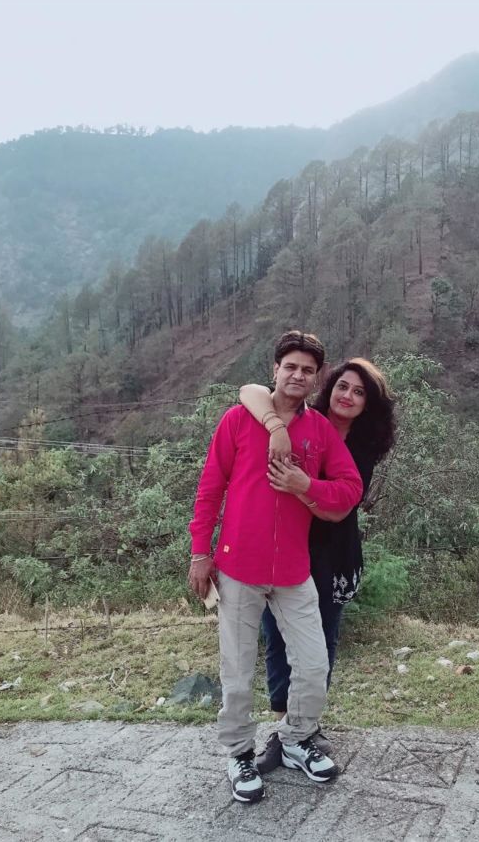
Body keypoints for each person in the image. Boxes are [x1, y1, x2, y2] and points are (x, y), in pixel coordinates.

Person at [188, 331, 363, 804]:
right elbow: (210, 488)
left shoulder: (320, 431)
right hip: (237, 567)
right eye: (291, 366)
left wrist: (307, 485)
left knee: (314, 663)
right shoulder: (237, 420)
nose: (298, 375)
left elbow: (350, 489)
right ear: (275, 370)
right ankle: (239, 753)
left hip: (293, 571)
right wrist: (200, 552)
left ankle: (296, 740)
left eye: (308, 370)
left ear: (316, 378)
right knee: (237, 670)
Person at [239, 358, 395, 771]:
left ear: (368, 404)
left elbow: (339, 509)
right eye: (343, 386)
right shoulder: (303, 420)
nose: (348, 396)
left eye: (359, 392)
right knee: (276, 637)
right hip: (285, 547)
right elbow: (249, 392)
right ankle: (283, 726)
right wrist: (275, 427)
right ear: (329, 388)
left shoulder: (362, 448)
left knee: (320, 641)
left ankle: (303, 726)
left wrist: (300, 486)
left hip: (333, 554)